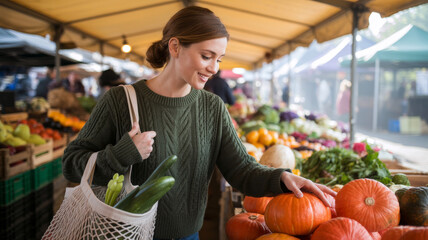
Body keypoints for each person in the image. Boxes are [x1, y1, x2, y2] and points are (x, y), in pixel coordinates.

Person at [62, 6, 335, 240]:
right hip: (124, 233)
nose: (214, 68)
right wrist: (121, 154)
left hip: (189, 235)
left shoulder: (212, 107)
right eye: (206, 56)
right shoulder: (120, 100)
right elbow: (71, 165)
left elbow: (241, 169)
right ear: (175, 47)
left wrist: (282, 178)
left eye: (219, 59)